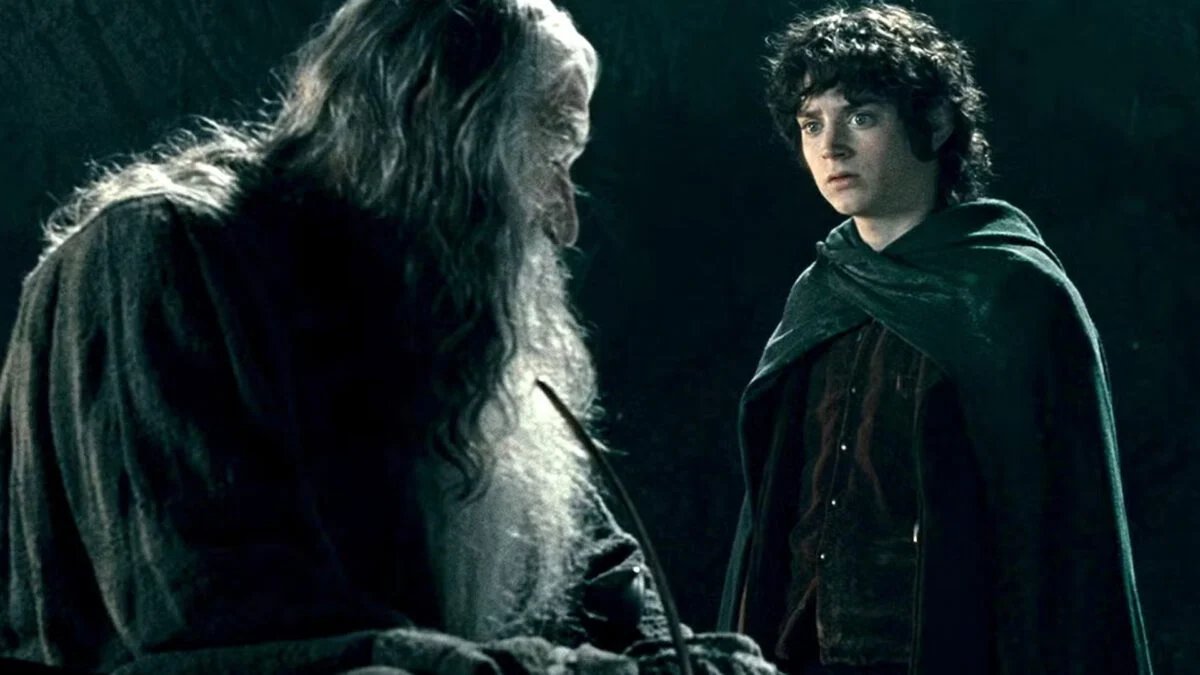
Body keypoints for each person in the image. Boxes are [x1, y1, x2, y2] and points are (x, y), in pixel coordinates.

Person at [0, 0, 771, 673]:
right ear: (435, 116)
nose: (563, 219)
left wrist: (678, 658)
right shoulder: (159, 252)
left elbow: (594, 571)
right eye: (548, 155)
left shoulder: (444, 314)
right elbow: (220, 622)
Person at [718, 4, 1153, 675]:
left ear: (936, 122)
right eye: (812, 123)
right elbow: (776, 508)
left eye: (861, 117)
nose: (831, 147)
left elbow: (1065, 535)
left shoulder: (1010, 292)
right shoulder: (819, 292)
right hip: (800, 656)